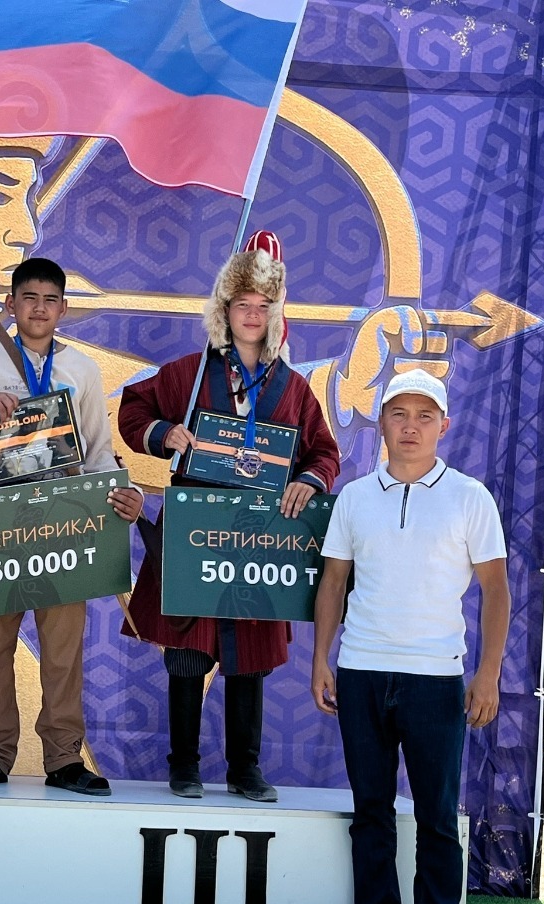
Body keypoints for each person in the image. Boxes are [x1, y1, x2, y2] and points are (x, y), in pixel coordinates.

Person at [117, 233, 340, 801]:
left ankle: (245, 769)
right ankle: (184, 766)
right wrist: (164, 433)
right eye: (243, 304)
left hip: (258, 536)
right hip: (198, 529)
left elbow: (324, 452)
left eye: (263, 306)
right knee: (188, 653)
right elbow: (133, 408)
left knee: (249, 656)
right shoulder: (191, 374)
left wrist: (307, 482)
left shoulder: (294, 388)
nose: (253, 315)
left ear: (275, 313)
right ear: (225, 309)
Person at [312, 369, 510, 904]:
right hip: (361, 671)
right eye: (399, 414)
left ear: (443, 426)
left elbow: (497, 589)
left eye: (425, 416)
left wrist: (487, 674)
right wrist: (321, 659)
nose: (411, 427)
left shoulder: (470, 498)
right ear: (381, 422)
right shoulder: (354, 498)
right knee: (370, 809)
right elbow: (333, 582)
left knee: (437, 817)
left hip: (435, 679)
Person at [0, 257, 143, 795]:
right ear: (11, 304)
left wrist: (125, 492)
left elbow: (97, 449)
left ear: (63, 309)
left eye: (49, 300)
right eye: (29, 298)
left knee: (63, 650)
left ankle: (64, 758)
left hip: (65, 517)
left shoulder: (82, 369)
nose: (39, 308)